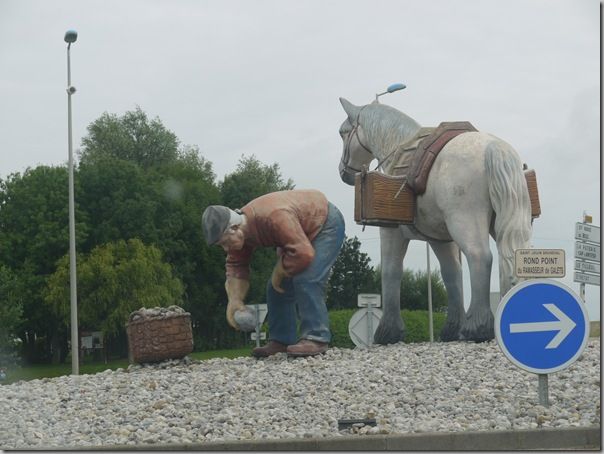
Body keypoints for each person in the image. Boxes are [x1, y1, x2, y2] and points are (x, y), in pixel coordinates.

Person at [202, 189, 345, 357]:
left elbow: (303, 253)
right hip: (298, 233)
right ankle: (282, 340)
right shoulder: (239, 233)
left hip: (324, 222)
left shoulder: (273, 216)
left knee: (307, 279)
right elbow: (236, 266)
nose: (226, 248)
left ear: (234, 227)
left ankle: (316, 337)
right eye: (222, 245)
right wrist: (234, 300)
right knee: (276, 288)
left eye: (225, 242)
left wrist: (279, 270)